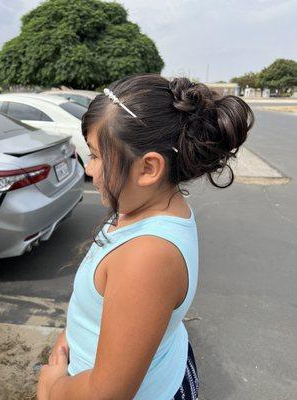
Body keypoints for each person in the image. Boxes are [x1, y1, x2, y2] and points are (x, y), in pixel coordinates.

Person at [37, 73, 254, 400]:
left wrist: (53, 389)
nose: (89, 170)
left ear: (149, 168)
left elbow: (105, 393)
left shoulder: (146, 257)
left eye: (95, 155)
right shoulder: (148, 206)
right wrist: (69, 338)